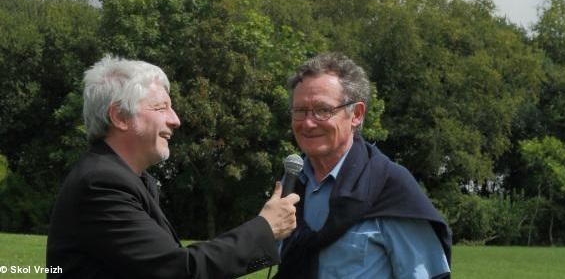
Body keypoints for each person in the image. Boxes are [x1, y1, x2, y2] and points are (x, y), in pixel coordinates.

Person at [46, 56, 299, 279]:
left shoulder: (126, 178)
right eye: (160, 108)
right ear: (120, 117)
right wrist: (266, 228)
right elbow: (178, 270)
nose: (175, 119)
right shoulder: (101, 184)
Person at [276, 52, 451, 279]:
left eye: (323, 110)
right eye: (300, 111)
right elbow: (271, 255)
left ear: (356, 115)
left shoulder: (391, 187)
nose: (308, 123)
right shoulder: (292, 184)